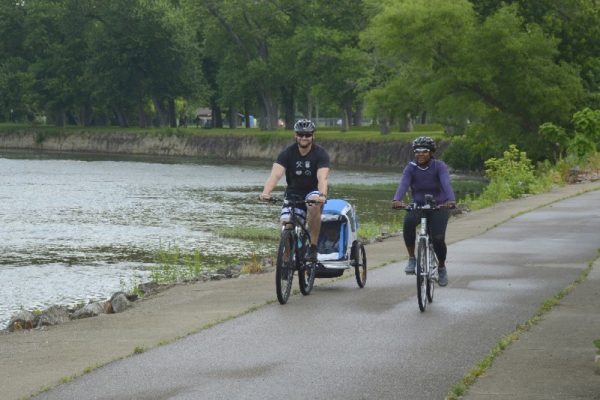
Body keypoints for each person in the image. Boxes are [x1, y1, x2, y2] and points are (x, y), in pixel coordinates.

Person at [260, 119, 330, 262]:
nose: (304, 137)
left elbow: (322, 177)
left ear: (313, 136)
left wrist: (322, 195)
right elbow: (275, 175)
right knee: (286, 224)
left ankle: (313, 247)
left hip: (312, 192)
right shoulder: (287, 153)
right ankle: (286, 259)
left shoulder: (320, 154)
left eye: (307, 135)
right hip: (293, 193)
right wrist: (266, 192)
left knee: (314, 206)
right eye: (300, 134)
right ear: (295, 135)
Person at [391, 136, 456, 286]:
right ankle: (412, 258)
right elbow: (404, 184)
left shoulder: (439, 166)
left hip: (439, 206)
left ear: (431, 153)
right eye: (417, 151)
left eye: (424, 151)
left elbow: (446, 184)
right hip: (418, 205)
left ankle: (441, 267)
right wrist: (397, 200)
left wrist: (451, 201)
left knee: (438, 238)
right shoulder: (411, 167)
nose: (420, 154)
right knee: (408, 223)